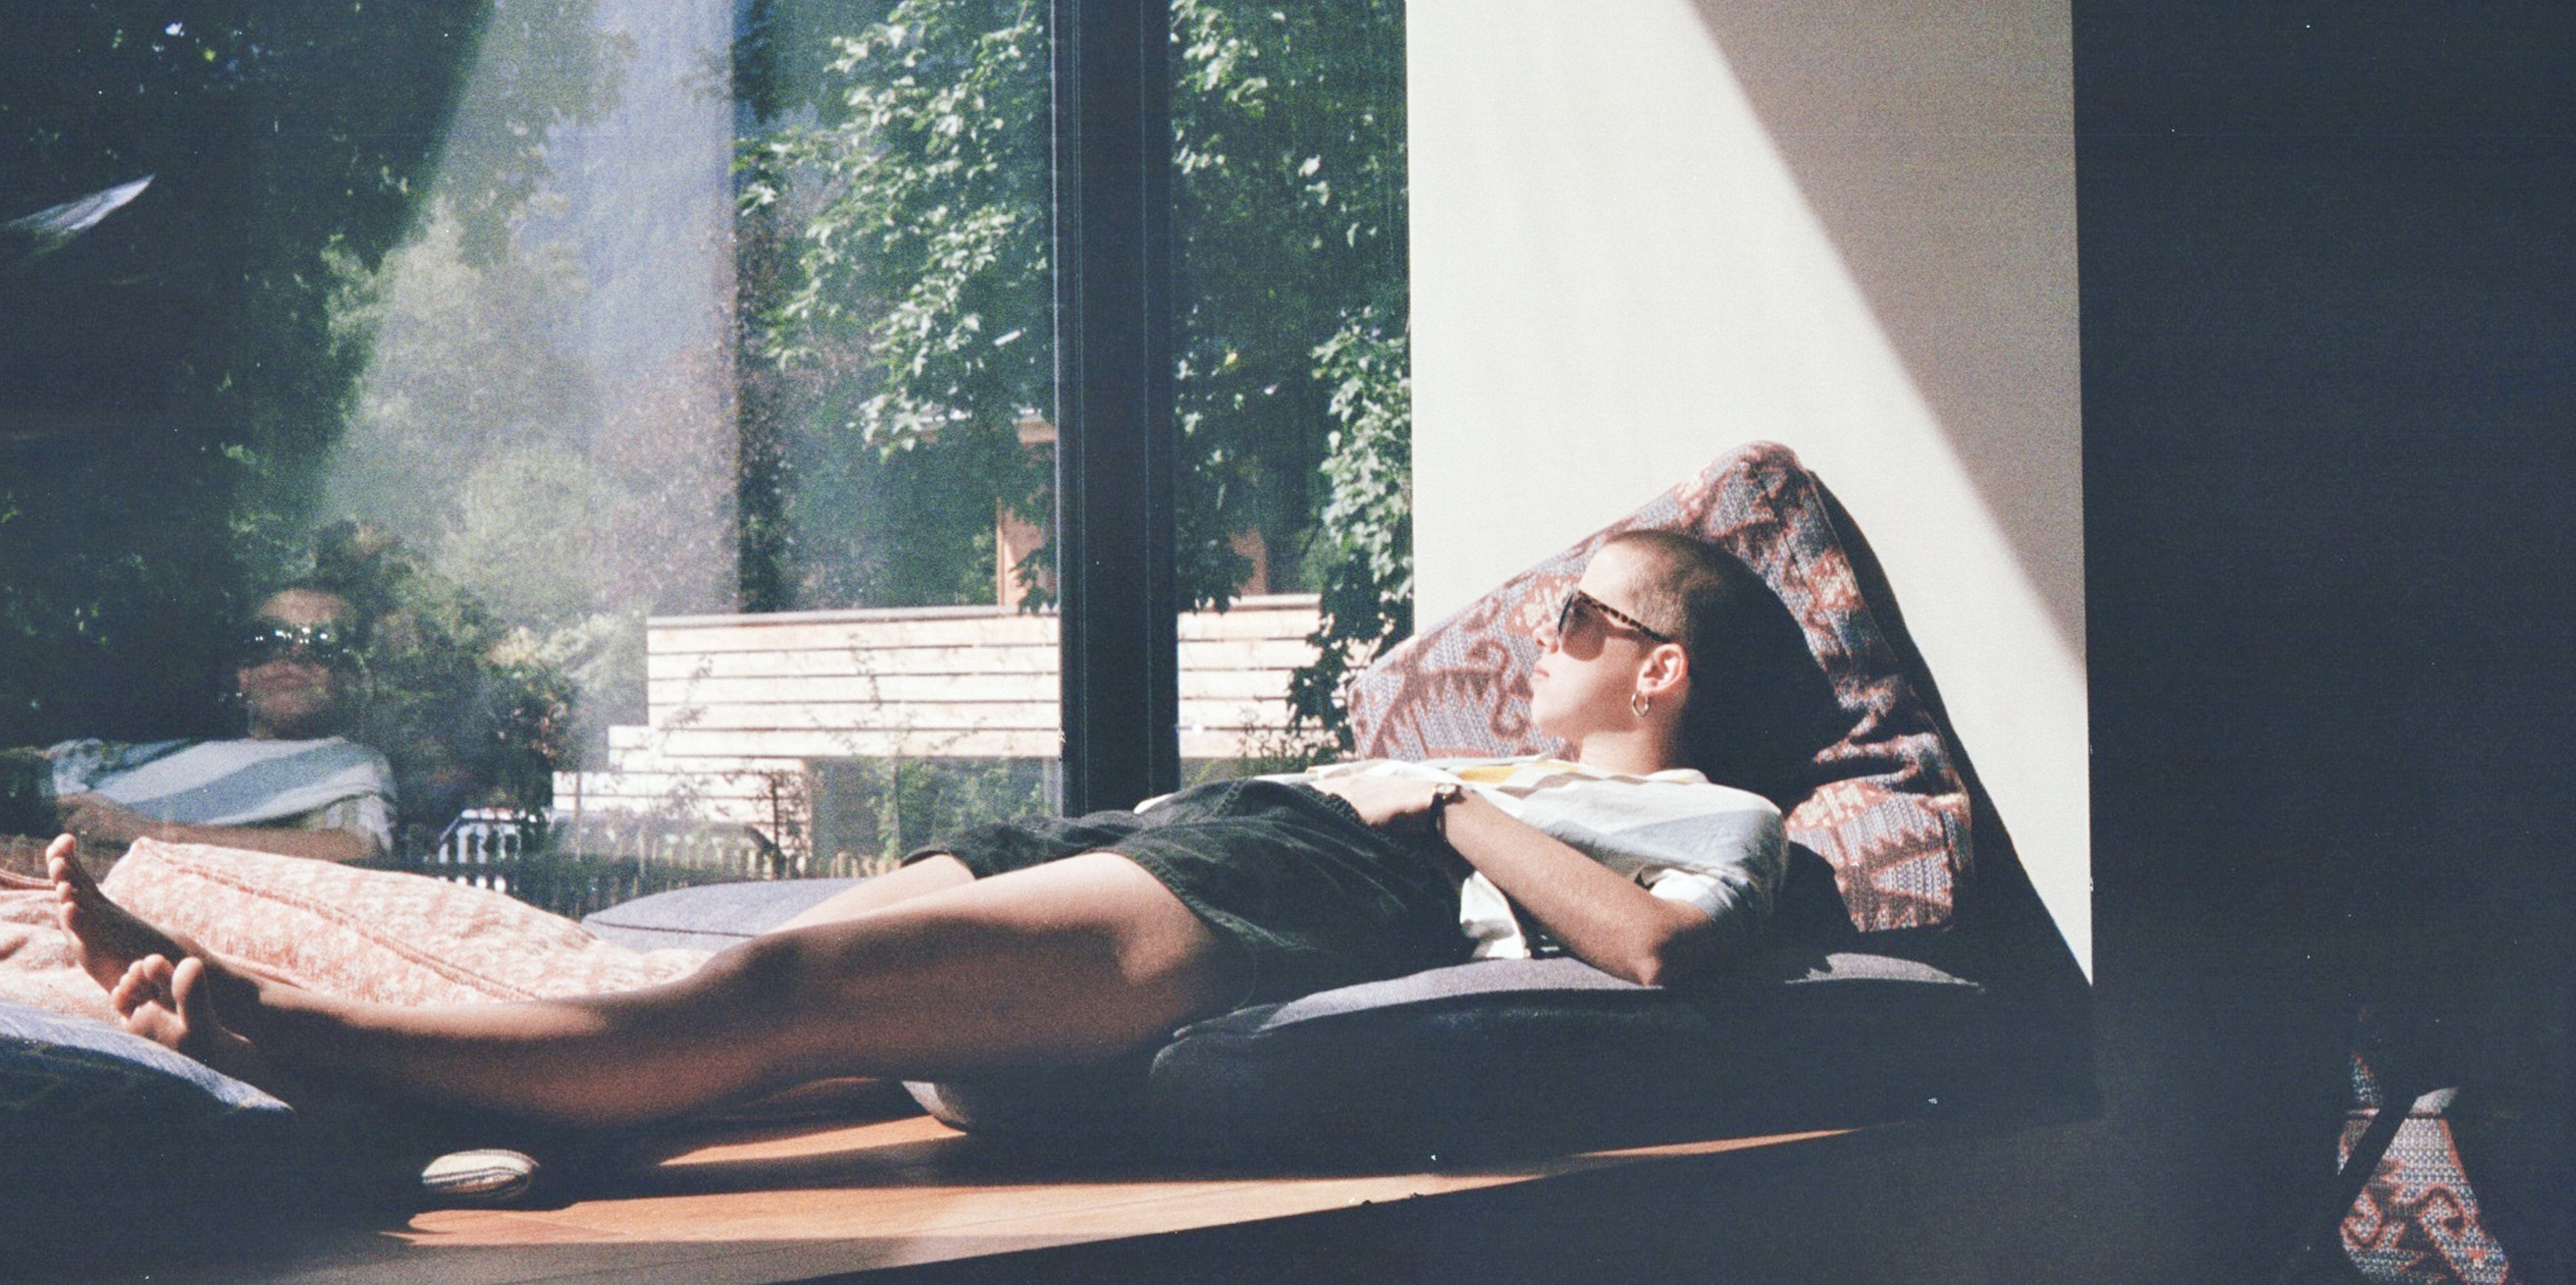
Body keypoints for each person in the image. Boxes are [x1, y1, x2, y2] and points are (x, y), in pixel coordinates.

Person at [46, 532, 1824, 1128]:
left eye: (1578, 619)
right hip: (1204, 828)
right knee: (720, 972)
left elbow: (1670, 944)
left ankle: (306, 1037)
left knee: (789, 990)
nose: (1534, 635)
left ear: (1661, 668)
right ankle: (281, 967)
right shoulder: (1530, 760)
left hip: (1291, 878)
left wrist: (1444, 801)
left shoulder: (1708, 805)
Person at [30, 587, 396, 863]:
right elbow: (44, 768)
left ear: (352, 680)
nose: (293, 655)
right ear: (243, 675)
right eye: (266, 640)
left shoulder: (346, 764)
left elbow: (357, 847)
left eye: (324, 644)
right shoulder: (173, 753)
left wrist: (150, 833)